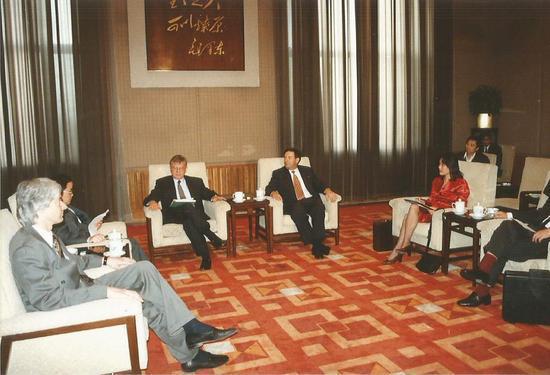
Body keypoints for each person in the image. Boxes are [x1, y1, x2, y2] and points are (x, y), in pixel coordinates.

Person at [9, 178, 238, 372]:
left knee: (143, 269)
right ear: (40, 208)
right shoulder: (27, 248)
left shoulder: (45, 234)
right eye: (56, 200)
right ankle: (189, 350)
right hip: (69, 305)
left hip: (81, 286)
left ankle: (190, 330)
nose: (62, 204)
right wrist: (108, 291)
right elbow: (47, 300)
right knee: (147, 303)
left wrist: (108, 260)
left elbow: (74, 260)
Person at [457, 180, 550, 307]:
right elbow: (539, 214)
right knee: (508, 225)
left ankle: (482, 288)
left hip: (546, 243)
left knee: (502, 247)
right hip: (535, 232)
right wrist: (509, 215)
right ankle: (483, 279)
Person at [385, 152, 470, 264]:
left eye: (442, 164)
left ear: (451, 165)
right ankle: (403, 245)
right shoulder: (437, 181)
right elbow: (432, 198)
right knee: (413, 207)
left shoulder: (460, 183)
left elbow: (461, 204)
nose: (439, 167)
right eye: (439, 164)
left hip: (442, 214)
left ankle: (398, 250)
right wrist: (423, 201)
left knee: (407, 217)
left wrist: (438, 209)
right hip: (430, 210)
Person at [143, 155, 226, 270]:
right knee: (187, 206)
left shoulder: (196, 181)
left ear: (185, 168)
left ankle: (206, 258)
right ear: (170, 168)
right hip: (174, 215)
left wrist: (213, 197)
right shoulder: (163, 183)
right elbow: (152, 196)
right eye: (175, 168)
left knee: (189, 224)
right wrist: (152, 201)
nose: (177, 171)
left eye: (180, 168)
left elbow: (207, 192)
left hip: (194, 215)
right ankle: (211, 235)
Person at [52, 174, 149, 261]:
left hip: (92, 241)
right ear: (59, 193)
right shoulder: (58, 215)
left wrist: (93, 226)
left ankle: (146, 273)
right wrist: (89, 240)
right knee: (130, 244)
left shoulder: (70, 208)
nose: (72, 194)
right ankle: (147, 273)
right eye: (70, 191)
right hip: (88, 248)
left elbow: (81, 224)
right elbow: (64, 239)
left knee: (130, 242)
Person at [265, 148, 339, 259]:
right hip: (295, 203)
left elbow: (319, 184)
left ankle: (316, 244)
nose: (286, 160)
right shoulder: (278, 174)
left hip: (311, 200)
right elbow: (269, 188)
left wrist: (327, 191)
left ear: (297, 160)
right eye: (285, 157)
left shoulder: (307, 170)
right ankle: (317, 245)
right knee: (298, 213)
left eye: (289, 157)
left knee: (319, 211)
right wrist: (273, 193)